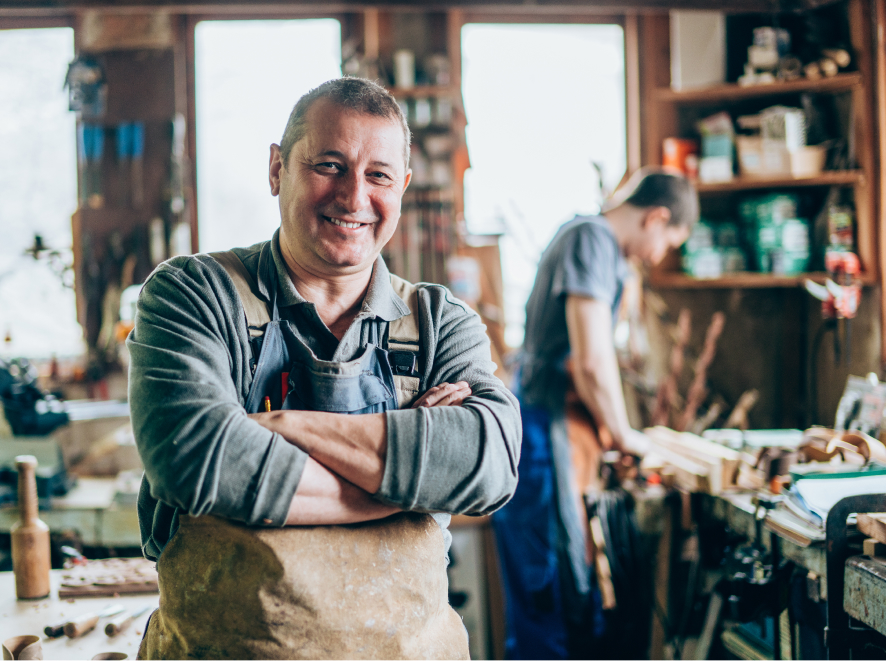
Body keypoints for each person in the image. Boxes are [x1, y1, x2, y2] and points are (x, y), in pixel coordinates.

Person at [126, 77, 521, 660]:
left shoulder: (441, 321)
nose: (354, 196)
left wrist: (282, 427)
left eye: (379, 175)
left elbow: (491, 465)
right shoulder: (193, 294)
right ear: (277, 170)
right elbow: (198, 459)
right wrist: (408, 481)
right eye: (330, 165)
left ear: (403, 187)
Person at [492, 169, 697, 659]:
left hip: (556, 428)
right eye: (668, 242)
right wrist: (625, 434)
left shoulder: (595, 244)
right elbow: (590, 359)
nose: (659, 255)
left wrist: (609, 431)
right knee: (554, 594)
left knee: (565, 593)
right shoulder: (592, 239)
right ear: (657, 217)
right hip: (544, 433)